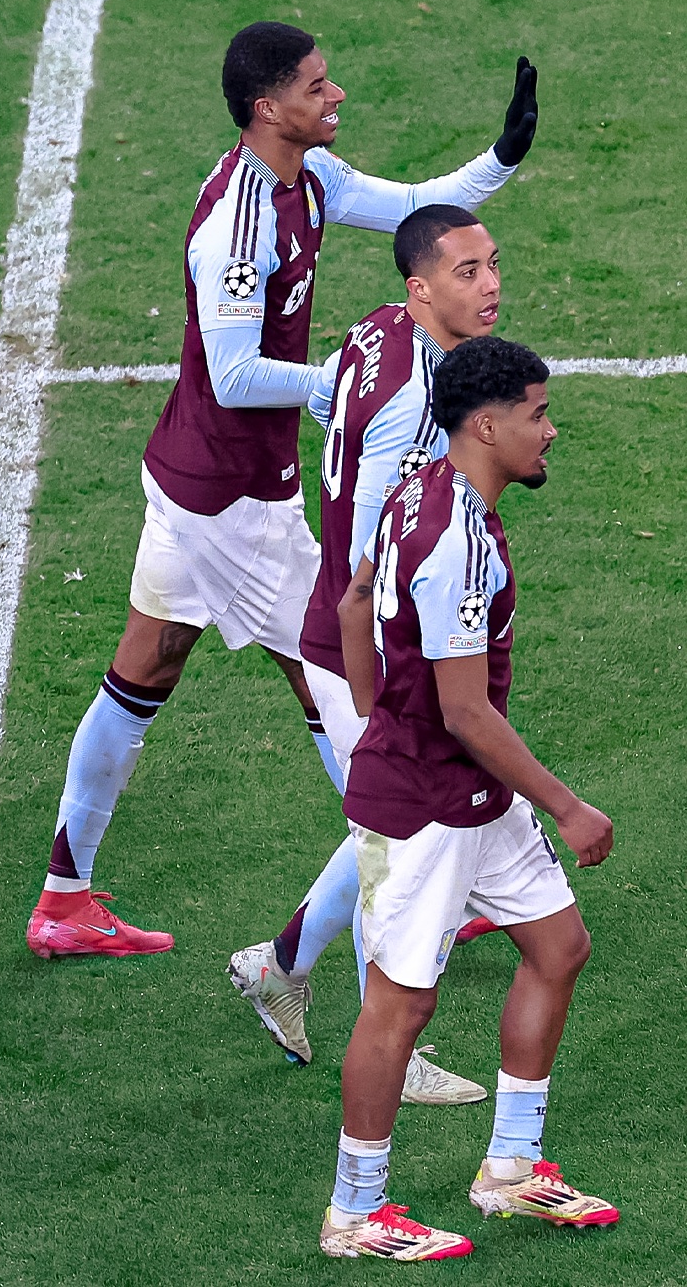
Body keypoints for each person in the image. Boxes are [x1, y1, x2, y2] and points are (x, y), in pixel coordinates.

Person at [27, 22, 541, 958]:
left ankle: (64, 898)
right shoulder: (239, 219)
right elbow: (230, 374)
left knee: (144, 669)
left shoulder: (309, 179)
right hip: (231, 505)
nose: (335, 93)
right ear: (270, 108)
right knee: (371, 706)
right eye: (316, 84)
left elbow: (418, 210)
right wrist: (342, 386)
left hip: (193, 481)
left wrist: (500, 158)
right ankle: (388, 921)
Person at [320, 337, 619, 1261]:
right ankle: (355, 1213)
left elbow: (354, 609)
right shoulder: (452, 535)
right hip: (427, 808)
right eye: (536, 413)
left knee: (558, 945)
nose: (550, 430)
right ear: (486, 425)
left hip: (467, 795)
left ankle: (511, 1169)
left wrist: (378, 710)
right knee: (398, 1010)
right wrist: (568, 807)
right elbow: (462, 708)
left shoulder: (424, 490)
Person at [228, 205, 505, 1105]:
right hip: (367, 643)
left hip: (358, 630)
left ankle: (279, 967)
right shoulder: (418, 395)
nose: (491, 284)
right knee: (401, 836)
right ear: (421, 287)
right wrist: (385, 670)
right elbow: (379, 547)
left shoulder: (374, 337)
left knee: (388, 828)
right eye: (467, 272)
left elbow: (331, 408)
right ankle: (382, 1039)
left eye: (492, 264)